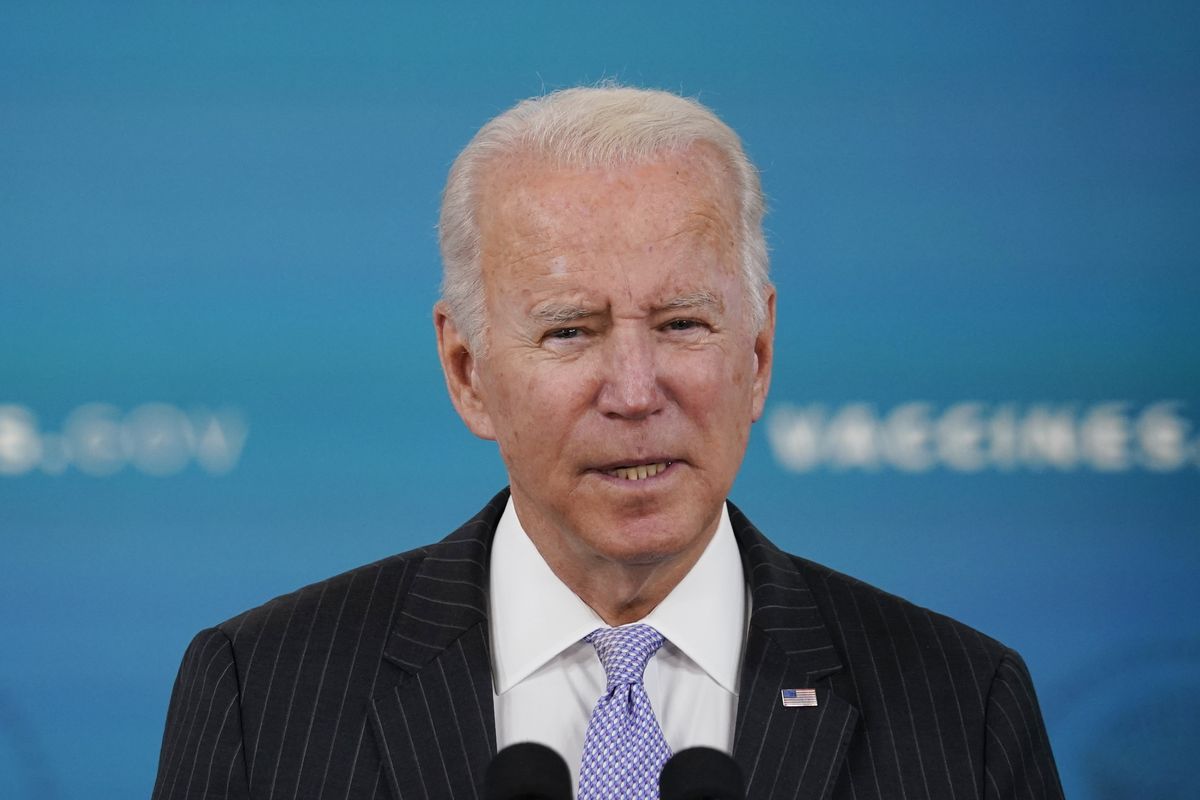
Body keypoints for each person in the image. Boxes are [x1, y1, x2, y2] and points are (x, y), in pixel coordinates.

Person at [152, 86, 1063, 800]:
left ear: (758, 353)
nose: (635, 392)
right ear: (468, 372)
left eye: (681, 324)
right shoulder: (262, 695)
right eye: (570, 332)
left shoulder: (964, 704)